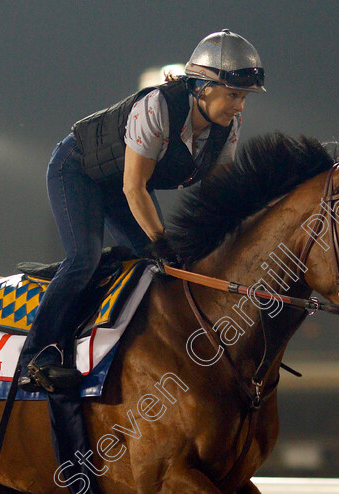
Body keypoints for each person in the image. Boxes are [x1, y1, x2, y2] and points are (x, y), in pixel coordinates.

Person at [17, 29, 265, 392]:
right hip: (78, 170)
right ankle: (36, 357)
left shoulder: (228, 127)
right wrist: (161, 240)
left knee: (158, 270)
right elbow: (134, 188)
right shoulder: (157, 108)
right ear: (202, 87)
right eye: (233, 95)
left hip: (123, 184)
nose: (240, 106)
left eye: (243, 97)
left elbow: (221, 195)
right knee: (84, 257)